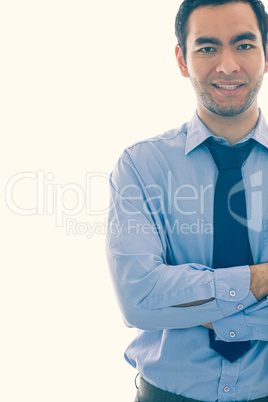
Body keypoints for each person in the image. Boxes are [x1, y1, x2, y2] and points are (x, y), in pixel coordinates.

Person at [106, 0, 268, 401]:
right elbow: (139, 299)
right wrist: (260, 279)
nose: (228, 65)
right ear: (182, 60)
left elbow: (159, 298)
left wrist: (205, 310)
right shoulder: (141, 167)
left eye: (244, 45)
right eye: (208, 47)